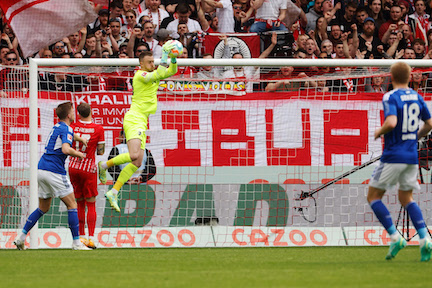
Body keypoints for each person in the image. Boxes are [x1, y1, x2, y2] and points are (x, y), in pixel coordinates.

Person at [98, 41, 178, 212]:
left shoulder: (152, 73)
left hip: (142, 121)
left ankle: (114, 190)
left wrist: (172, 58)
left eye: (153, 62)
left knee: (137, 162)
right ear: (141, 64)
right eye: (149, 62)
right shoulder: (140, 75)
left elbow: (171, 71)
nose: (152, 65)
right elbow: (157, 75)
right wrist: (164, 55)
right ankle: (104, 165)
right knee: (134, 155)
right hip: (134, 119)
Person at [368, 62, 432, 261]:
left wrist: (379, 132)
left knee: (373, 197)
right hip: (412, 156)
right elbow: (429, 124)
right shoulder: (417, 97)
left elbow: (392, 122)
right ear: (410, 77)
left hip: (393, 156)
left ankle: (395, 237)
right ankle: (425, 239)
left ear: (391, 77)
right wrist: (415, 137)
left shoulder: (390, 96)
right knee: (406, 199)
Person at [14, 102, 91, 250]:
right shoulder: (67, 128)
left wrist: (79, 138)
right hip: (54, 171)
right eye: (73, 112)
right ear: (69, 115)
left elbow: (68, 135)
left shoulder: (57, 126)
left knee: (43, 208)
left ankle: (21, 238)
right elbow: (66, 149)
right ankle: (76, 243)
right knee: (72, 204)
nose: (75, 114)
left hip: (41, 169)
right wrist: (79, 154)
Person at [69, 103, 105, 249]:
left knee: (78, 203)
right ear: (91, 112)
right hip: (88, 168)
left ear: (78, 114)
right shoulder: (98, 128)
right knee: (91, 203)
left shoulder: (73, 127)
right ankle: (91, 238)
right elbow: (101, 152)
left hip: (73, 167)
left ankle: (81, 237)